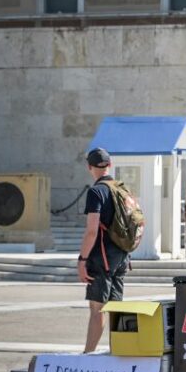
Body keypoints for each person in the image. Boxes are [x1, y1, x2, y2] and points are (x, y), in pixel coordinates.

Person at [78, 148, 129, 353]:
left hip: (101, 258)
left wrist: (82, 260)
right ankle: (117, 352)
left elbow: (92, 231)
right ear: (110, 165)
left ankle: (88, 355)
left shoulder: (96, 192)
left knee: (97, 308)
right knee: (115, 309)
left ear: (89, 167)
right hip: (122, 256)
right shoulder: (121, 189)